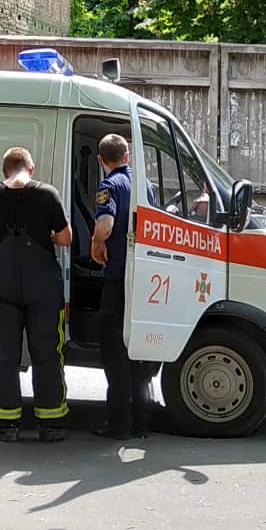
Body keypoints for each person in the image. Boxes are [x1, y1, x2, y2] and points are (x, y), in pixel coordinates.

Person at [0, 146, 74, 443]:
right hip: (42, 285)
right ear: (31, 169)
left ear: (5, 171)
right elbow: (65, 238)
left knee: (4, 354)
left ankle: (4, 424)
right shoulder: (48, 194)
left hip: (1, 283)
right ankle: (52, 424)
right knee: (48, 353)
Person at [88, 133, 152, 441]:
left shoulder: (109, 186)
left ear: (101, 160)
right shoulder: (145, 186)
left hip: (117, 278)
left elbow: (106, 224)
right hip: (143, 277)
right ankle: (141, 423)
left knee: (114, 351)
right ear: (127, 157)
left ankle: (118, 424)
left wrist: (96, 242)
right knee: (137, 352)